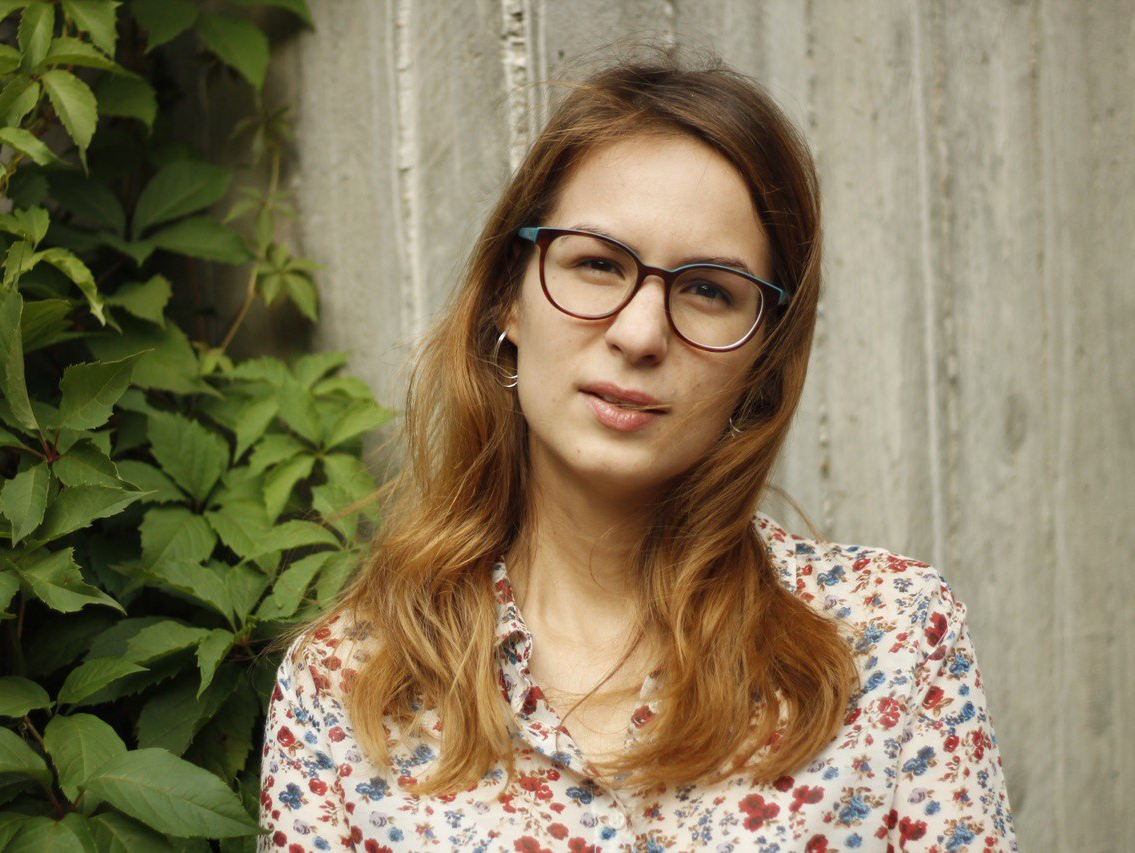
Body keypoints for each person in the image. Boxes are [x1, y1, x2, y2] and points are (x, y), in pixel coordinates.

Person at [258, 54, 1017, 852]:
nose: (640, 333)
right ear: (505, 299)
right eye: (596, 263)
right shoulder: (349, 687)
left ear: (762, 359)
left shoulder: (889, 642)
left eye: (709, 289)